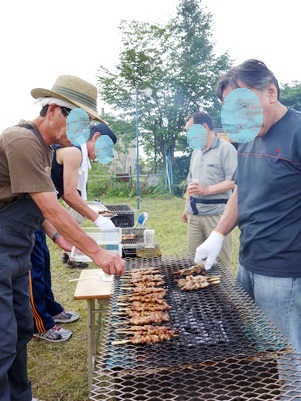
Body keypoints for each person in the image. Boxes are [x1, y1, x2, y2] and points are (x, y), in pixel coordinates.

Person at [0, 74, 125, 401]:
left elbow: (32, 207)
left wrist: (59, 238)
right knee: (1, 342)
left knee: (21, 332)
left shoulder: (45, 148)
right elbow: (51, 206)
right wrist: (98, 252)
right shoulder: (21, 141)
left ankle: (20, 396)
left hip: (16, 252)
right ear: (54, 109)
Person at [194, 59, 301, 357]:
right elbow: (242, 189)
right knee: (255, 352)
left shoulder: (297, 132)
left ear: (270, 91)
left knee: (285, 358)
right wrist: (217, 233)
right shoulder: (246, 137)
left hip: (285, 272)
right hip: (248, 261)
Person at [30, 123, 118, 342]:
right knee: (34, 272)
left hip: (38, 216)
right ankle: (40, 324)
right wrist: (97, 219)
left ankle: (51, 309)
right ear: (96, 137)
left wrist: (58, 238)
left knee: (44, 264)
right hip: (23, 219)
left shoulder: (76, 153)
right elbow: (69, 195)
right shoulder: (72, 151)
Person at [182, 111, 237, 268]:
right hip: (195, 215)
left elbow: (234, 181)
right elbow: (190, 183)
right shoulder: (196, 151)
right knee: (194, 261)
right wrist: (186, 208)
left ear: (204, 127)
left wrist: (207, 190)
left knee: (220, 264)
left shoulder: (226, 149)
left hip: (217, 215)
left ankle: (222, 292)